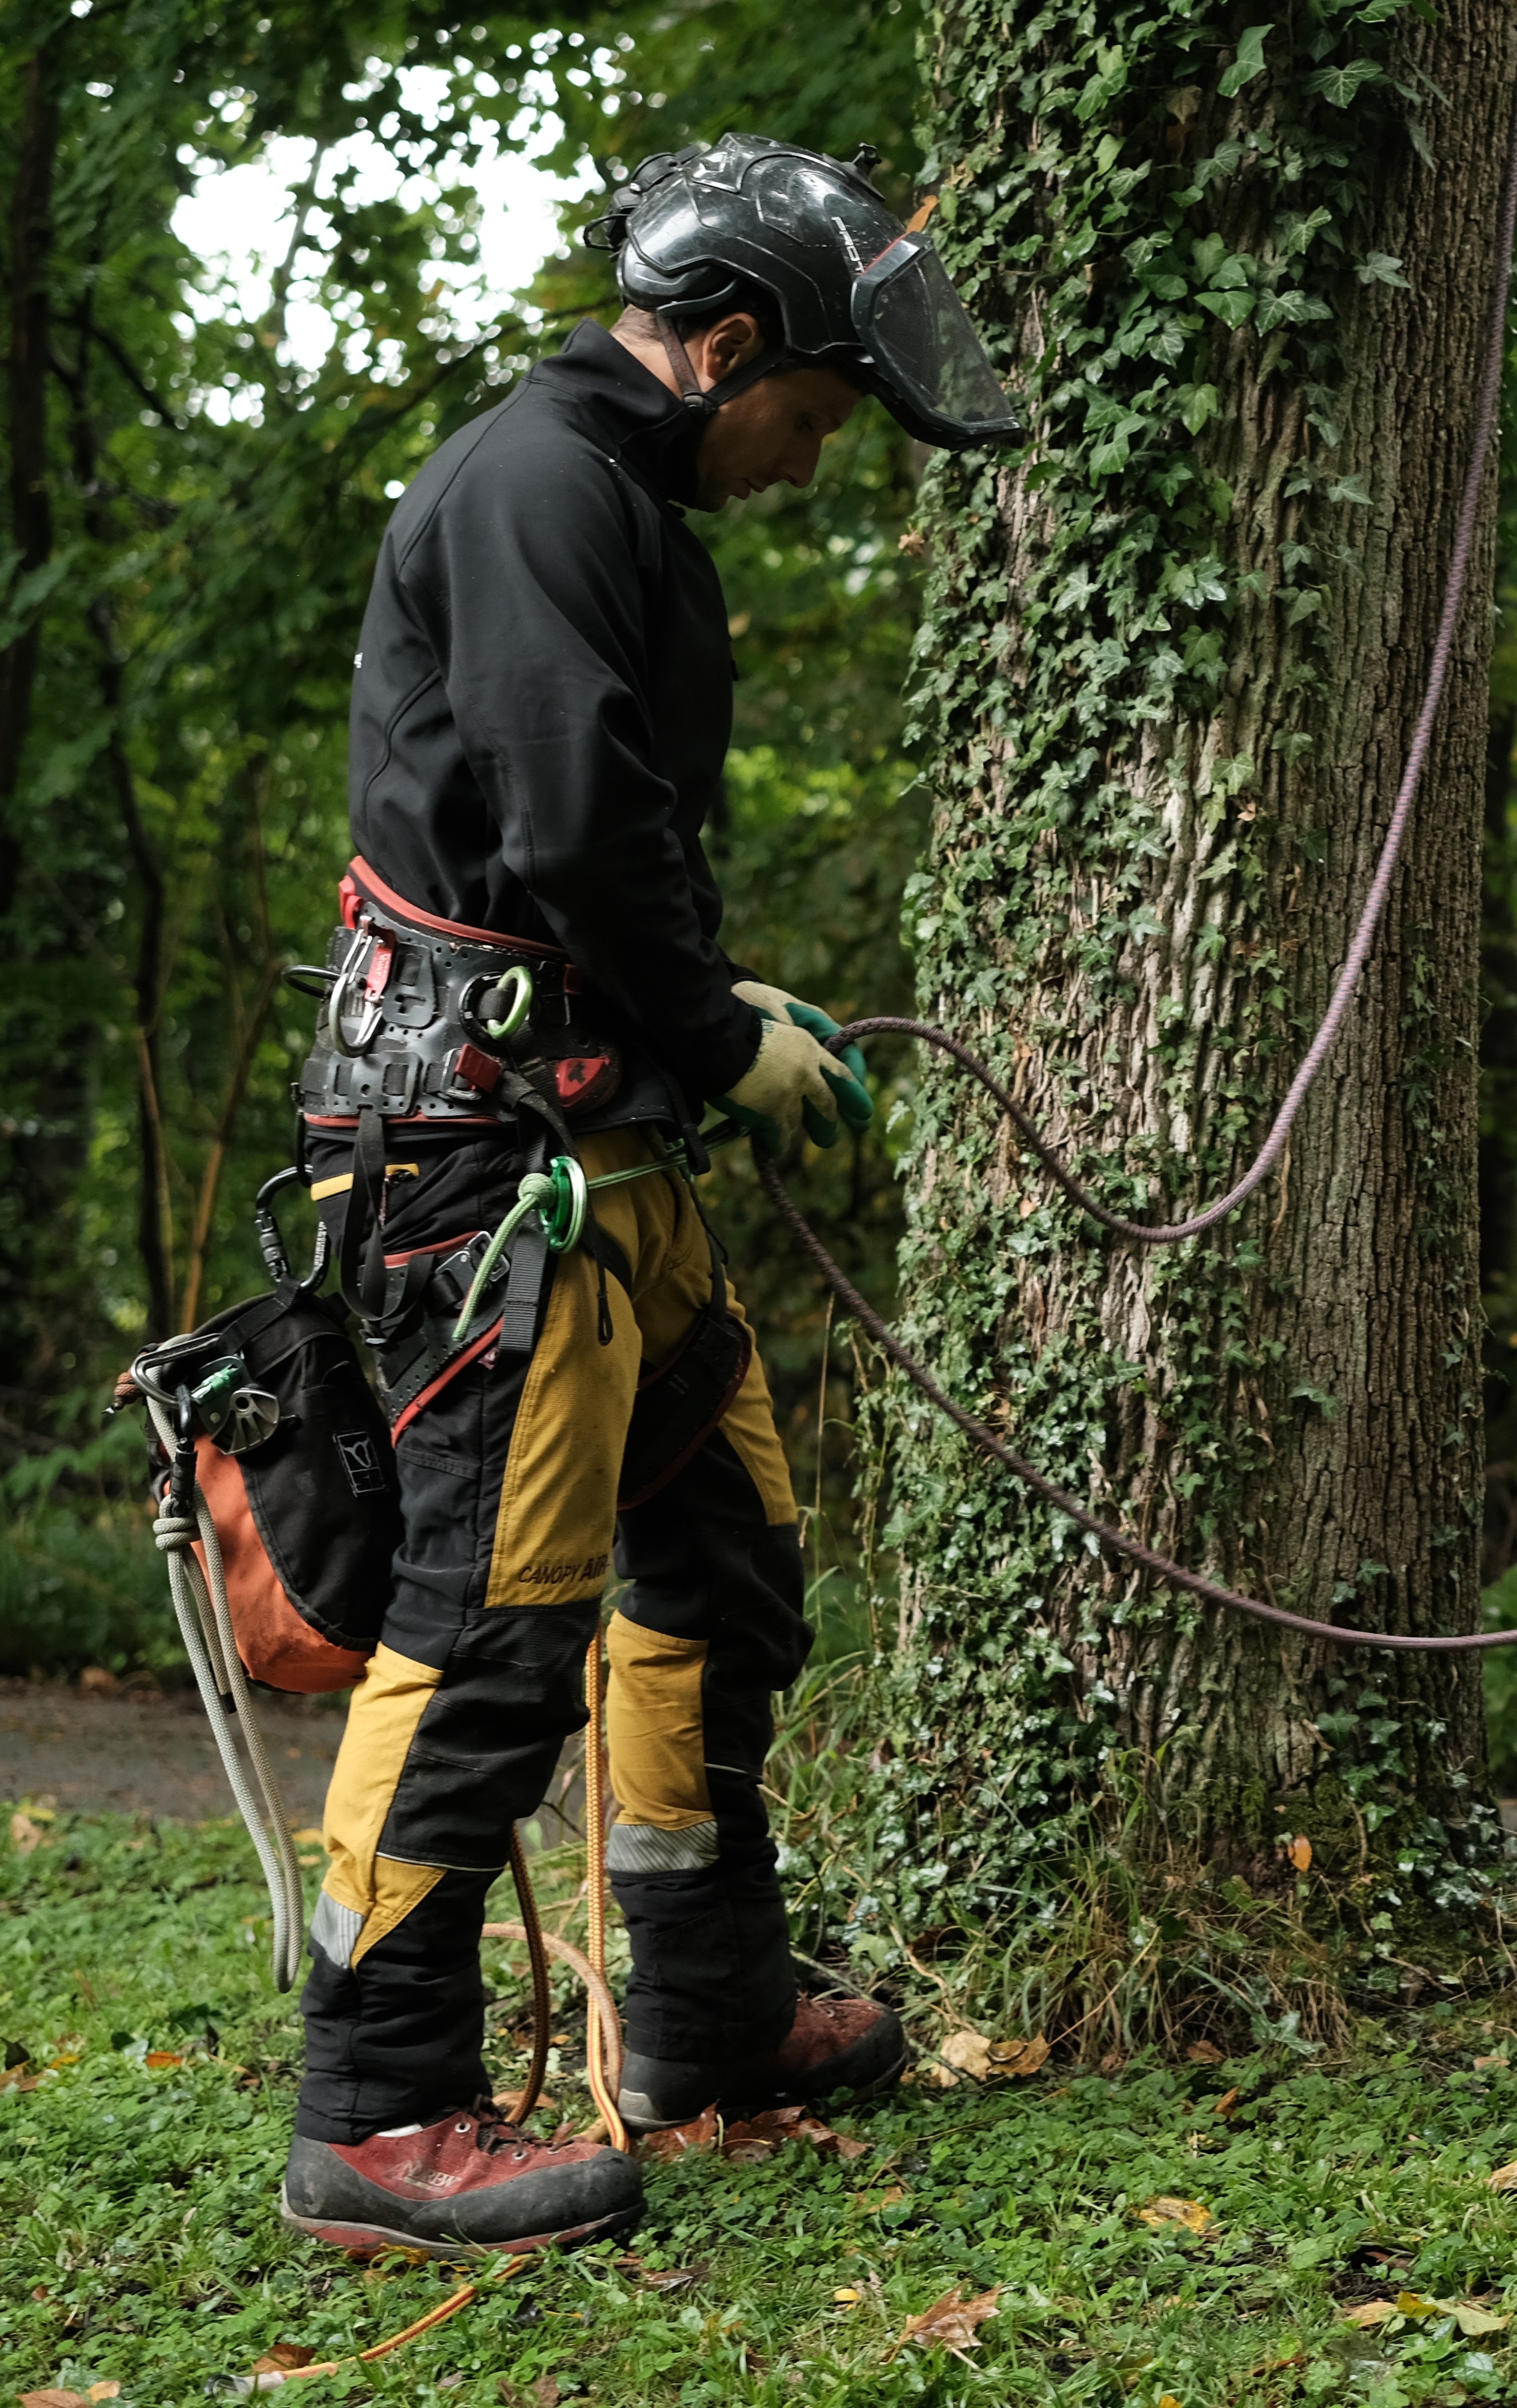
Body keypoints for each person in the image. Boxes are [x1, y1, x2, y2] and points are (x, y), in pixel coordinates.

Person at [275, 135, 1019, 2258]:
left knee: (727, 1551)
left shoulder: (613, 495)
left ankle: (705, 2010)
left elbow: (584, 849)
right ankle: (373, 2109)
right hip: (490, 1172)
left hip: (598, 1145)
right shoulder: (540, 484)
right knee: (486, 1630)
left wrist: (711, 1006)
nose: (816, 457)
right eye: (818, 411)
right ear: (725, 344)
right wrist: (713, 1031)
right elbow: (574, 817)